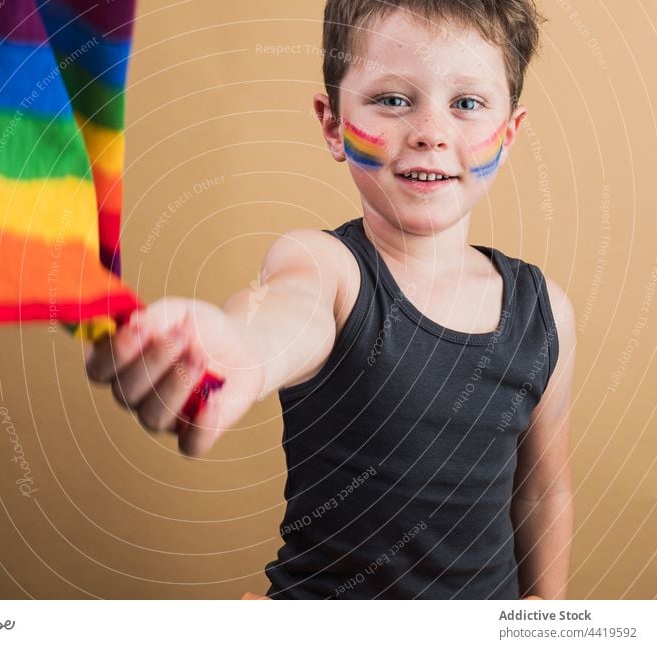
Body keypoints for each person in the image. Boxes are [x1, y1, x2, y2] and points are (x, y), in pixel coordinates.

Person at [85, 0, 575, 600]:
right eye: (393, 100)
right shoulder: (327, 267)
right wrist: (234, 351)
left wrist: (548, 615)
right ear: (332, 125)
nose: (429, 132)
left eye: (467, 104)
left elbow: (543, 489)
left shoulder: (544, 313)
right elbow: (284, 314)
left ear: (511, 131)